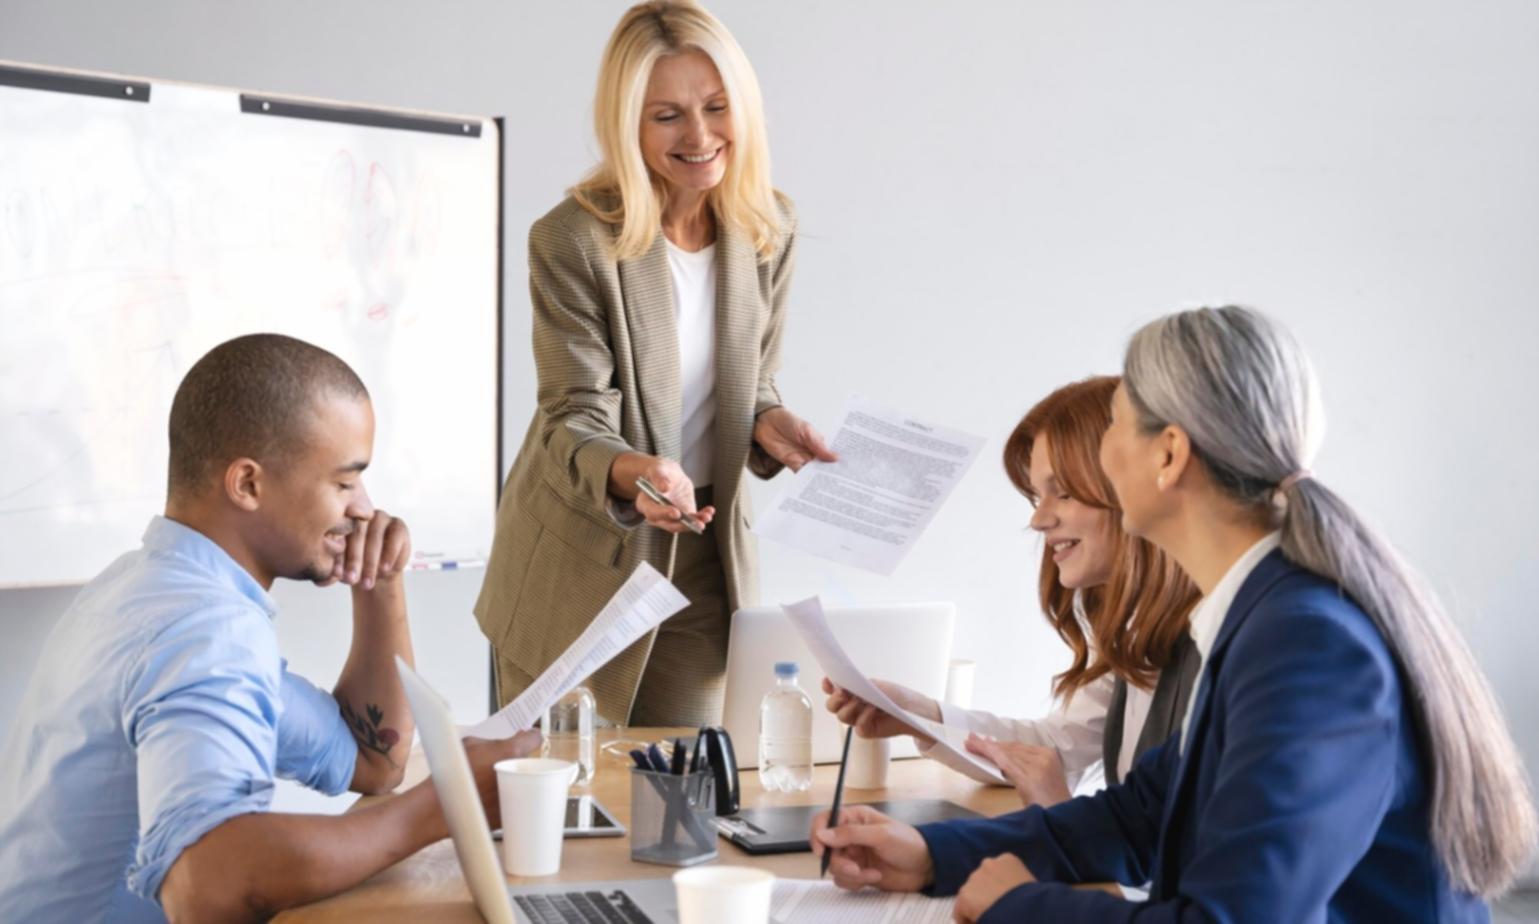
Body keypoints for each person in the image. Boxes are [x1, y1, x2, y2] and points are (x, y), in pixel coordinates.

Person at [810, 307, 1535, 922]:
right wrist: (932, 854)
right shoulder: (1259, 616)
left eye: (1113, 429)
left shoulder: (1306, 644)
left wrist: (1023, 907)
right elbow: (1141, 814)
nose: (1102, 456)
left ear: (1168, 455)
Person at [0, 334, 540, 923]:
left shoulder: (151, 585)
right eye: (344, 482)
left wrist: (380, 580)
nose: (364, 508)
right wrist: (448, 806)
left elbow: (372, 760)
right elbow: (209, 884)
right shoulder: (204, 629)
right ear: (248, 485)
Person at [476, 0, 833, 727]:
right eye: (667, 115)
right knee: (560, 782)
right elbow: (573, 414)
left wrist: (768, 420)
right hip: (581, 558)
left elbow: (752, 377)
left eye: (716, 107)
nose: (700, 136)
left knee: (685, 780)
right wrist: (638, 472)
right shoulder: (573, 240)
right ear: (626, 124)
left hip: (702, 554)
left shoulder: (769, 226)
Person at [823, 377, 1201, 807]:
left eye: (1063, 493)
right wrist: (917, 713)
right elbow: (1053, 749)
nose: (1038, 520)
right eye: (1037, 497)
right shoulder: (1134, 627)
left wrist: (1054, 813)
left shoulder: (1217, 643)